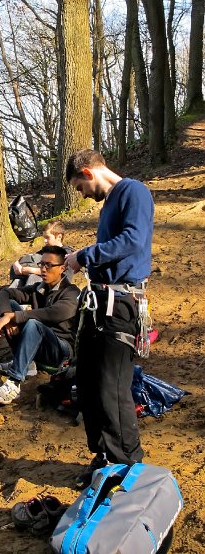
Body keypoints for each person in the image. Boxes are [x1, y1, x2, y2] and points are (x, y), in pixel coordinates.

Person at [64, 149, 154, 489]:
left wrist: (84, 256)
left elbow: (132, 241)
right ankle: (104, 456)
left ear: (88, 173)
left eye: (79, 187)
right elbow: (114, 248)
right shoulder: (111, 203)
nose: (82, 195)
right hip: (100, 302)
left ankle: (128, 465)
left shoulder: (134, 191)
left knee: (112, 390)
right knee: (87, 383)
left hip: (122, 303)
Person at [0, 245, 79, 405]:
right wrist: (6, 316)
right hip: (39, 342)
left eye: (49, 265)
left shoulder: (72, 293)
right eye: (41, 264)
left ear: (62, 268)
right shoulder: (39, 288)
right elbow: (3, 294)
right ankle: (25, 362)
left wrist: (16, 316)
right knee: (10, 305)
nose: (43, 269)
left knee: (32, 323)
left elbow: (53, 313)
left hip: (61, 351)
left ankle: (14, 382)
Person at [0, 221, 72, 327]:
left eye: (48, 237)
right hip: (35, 284)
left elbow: (62, 275)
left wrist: (31, 270)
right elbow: (30, 259)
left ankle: (19, 311)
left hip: (48, 288)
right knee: (18, 280)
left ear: (59, 237)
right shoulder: (44, 252)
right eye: (43, 237)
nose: (44, 241)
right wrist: (17, 265)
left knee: (33, 276)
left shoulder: (66, 254)